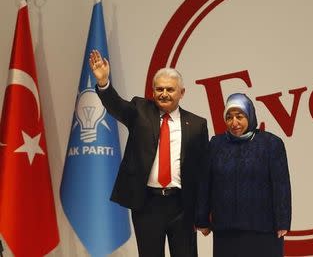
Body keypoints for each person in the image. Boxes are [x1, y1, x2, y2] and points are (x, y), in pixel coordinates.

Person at [89, 49, 209, 257]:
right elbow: (116, 105)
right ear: (152, 91)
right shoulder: (139, 111)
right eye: (159, 89)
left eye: (170, 89)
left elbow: (203, 172)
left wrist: (203, 213)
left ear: (182, 93)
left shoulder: (197, 124)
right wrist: (103, 83)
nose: (164, 94)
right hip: (147, 205)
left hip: (182, 205)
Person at [196, 93, 292, 257]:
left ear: (250, 115)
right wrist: (201, 219)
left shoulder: (271, 144)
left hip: (264, 228)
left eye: (239, 116)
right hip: (226, 230)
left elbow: (281, 185)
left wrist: (283, 221)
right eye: (229, 117)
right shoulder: (216, 144)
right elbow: (205, 184)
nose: (234, 123)